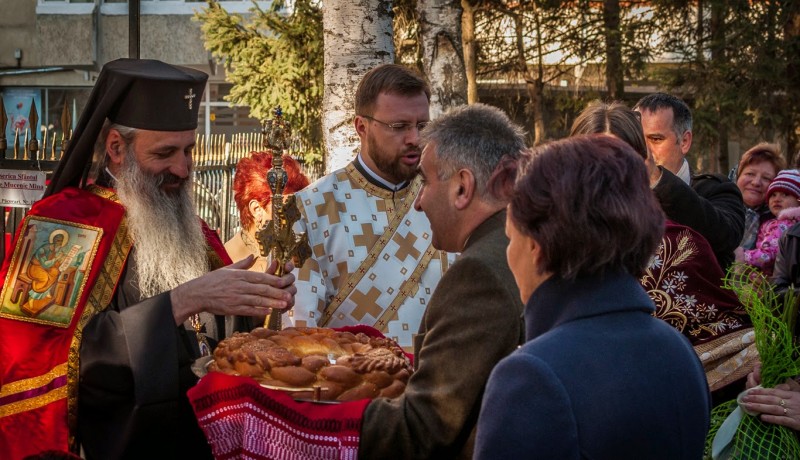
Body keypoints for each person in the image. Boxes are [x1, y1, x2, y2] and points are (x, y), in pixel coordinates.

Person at [0, 59, 296, 459]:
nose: (184, 168)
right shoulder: (64, 225)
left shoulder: (191, 225)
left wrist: (260, 301)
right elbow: (44, 365)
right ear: (117, 148)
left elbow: (220, 340)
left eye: (189, 149)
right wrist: (181, 302)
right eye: (166, 152)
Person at [474, 135, 710, 459]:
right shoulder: (677, 349)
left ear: (535, 245)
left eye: (510, 238)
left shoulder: (531, 375)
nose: (508, 253)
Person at [358, 103, 526, 459]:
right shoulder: (515, 244)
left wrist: (311, 413)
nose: (419, 202)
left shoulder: (479, 273)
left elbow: (427, 427)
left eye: (426, 181)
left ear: (462, 187)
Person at [570, 101, 754, 400]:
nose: (602, 173)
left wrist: (655, 180)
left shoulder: (702, 205)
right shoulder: (556, 231)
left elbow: (724, 234)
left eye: (618, 158)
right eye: (589, 160)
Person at [285, 64, 452, 349]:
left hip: (442, 384)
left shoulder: (449, 198)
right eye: (399, 127)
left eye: (422, 125)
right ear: (361, 127)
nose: (415, 139)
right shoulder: (311, 209)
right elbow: (300, 331)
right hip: (354, 387)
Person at [634, 92, 745, 270]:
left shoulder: (716, 190)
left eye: (656, 139)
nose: (643, 150)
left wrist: (657, 178)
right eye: (638, 139)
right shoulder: (619, 193)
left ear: (684, 141)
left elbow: (726, 236)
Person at [224, 151, 309, 273]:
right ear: (257, 210)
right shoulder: (226, 261)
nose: (295, 216)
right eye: (286, 208)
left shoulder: (297, 248)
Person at [738, 169, 800, 277]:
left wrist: (742, 255)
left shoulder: (785, 225)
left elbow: (768, 255)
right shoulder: (774, 222)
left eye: (785, 194)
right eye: (773, 195)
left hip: (775, 283)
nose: (777, 199)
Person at [734, 143, 786, 250]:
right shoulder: (717, 205)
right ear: (737, 176)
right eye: (750, 174)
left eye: (766, 178)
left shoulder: (781, 224)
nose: (756, 182)